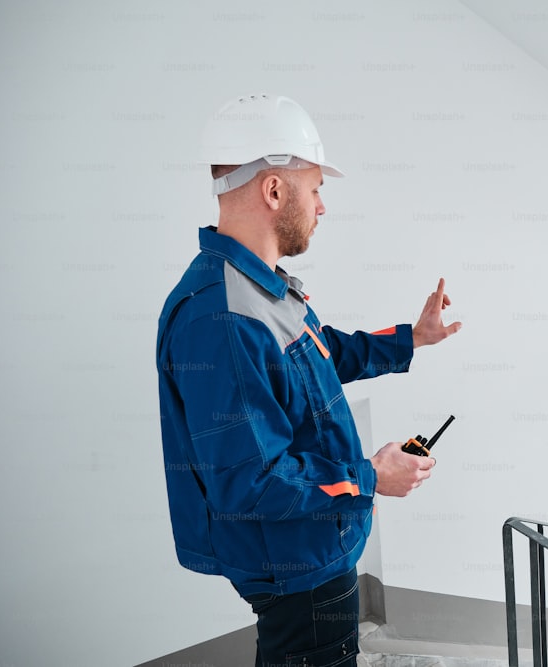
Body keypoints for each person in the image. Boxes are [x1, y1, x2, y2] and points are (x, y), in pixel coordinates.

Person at [156, 93, 461, 667]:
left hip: (318, 546)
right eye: (316, 188)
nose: (322, 207)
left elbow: (321, 357)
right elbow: (254, 483)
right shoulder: (223, 319)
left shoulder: (265, 291)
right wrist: (372, 477)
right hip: (297, 567)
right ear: (274, 191)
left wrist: (410, 339)